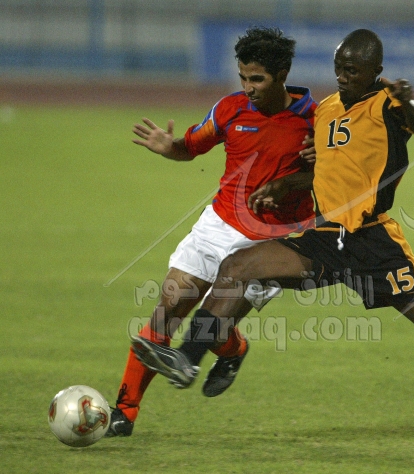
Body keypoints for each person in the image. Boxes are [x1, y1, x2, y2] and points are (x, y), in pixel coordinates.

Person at [131, 29, 414, 451]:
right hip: (325, 237)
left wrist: (406, 99)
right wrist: (285, 184)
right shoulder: (324, 110)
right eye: (339, 67)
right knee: (237, 266)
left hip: (374, 244)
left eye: (353, 70)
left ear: (375, 71)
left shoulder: (387, 104)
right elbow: (323, 170)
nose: (343, 76)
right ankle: (188, 358)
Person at [104, 26, 318, 437]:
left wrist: (308, 172)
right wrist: (170, 147)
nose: (248, 88)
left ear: (283, 74)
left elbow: (338, 175)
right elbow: (191, 146)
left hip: (270, 242)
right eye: (243, 77)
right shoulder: (229, 109)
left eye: (258, 79)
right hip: (218, 224)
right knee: (169, 308)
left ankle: (233, 349)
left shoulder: (317, 120)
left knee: (212, 325)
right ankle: (124, 413)